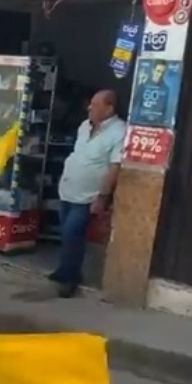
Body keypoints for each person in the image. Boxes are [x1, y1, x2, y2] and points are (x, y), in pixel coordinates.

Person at [52, 89, 125, 298]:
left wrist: (103, 197)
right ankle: (65, 269)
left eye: (95, 105)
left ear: (109, 109)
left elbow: (114, 167)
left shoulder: (119, 131)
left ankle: (69, 280)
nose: (89, 108)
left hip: (88, 195)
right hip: (68, 189)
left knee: (72, 233)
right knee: (66, 232)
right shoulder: (84, 126)